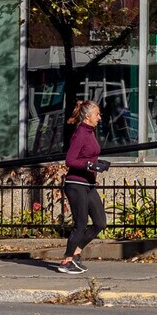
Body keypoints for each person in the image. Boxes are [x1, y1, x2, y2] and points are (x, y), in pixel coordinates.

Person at [57, 99, 108, 275]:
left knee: (100, 223)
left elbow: (88, 155)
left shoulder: (90, 132)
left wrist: (98, 163)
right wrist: (91, 166)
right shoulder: (80, 133)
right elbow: (70, 160)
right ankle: (66, 260)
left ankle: (76, 253)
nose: (99, 118)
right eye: (97, 114)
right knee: (80, 224)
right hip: (76, 183)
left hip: (88, 184)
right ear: (87, 116)